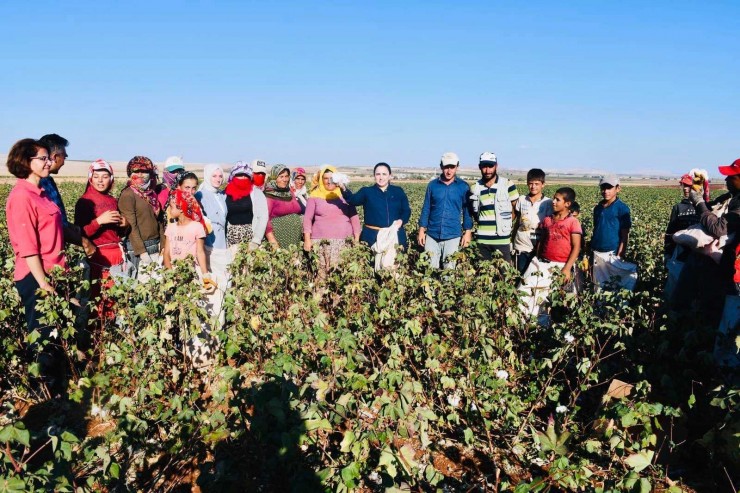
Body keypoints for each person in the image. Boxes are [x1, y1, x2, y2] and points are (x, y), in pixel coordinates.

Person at [6, 138, 68, 394]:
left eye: (48, 157)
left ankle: (56, 387)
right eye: (42, 158)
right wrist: (43, 283)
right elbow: (28, 246)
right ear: (25, 162)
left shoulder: (41, 192)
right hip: (36, 277)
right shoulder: (22, 196)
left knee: (53, 334)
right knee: (42, 335)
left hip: (52, 271)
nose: (48, 162)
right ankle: (44, 392)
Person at [74, 160, 130, 313]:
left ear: (111, 179)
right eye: (96, 176)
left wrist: (124, 225)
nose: (100, 180)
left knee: (117, 299)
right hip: (99, 258)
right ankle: (98, 335)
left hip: (117, 255)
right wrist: (99, 221)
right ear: (90, 178)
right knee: (99, 300)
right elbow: (79, 233)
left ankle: (112, 333)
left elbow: (117, 233)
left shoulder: (112, 200)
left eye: (105, 176)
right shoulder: (84, 202)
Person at [519, 187, 582, 319]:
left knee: (559, 302)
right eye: (553, 198)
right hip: (542, 263)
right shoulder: (548, 220)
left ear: (567, 204)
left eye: (557, 200)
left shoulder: (572, 222)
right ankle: (532, 327)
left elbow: (576, 247)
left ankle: (557, 332)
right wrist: (537, 256)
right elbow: (542, 240)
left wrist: (567, 268)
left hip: (560, 266)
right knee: (527, 292)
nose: (553, 202)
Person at [38, 133, 96, 257]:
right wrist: (84, 242)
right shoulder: (40, 183)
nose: (65, 159)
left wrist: (72, 227)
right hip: (47, 254)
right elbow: (52, 223)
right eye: (64, 156)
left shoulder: (48, 180)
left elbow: (59, 221)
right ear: (54, 156)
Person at [689, 158, 740, 296]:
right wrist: (700, 194)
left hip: (735, 271)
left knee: (728, 308)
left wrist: (699, 201)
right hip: (726, 263)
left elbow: (719, 228)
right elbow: (709, 208)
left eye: (731, 176)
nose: (726, 179)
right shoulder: (731, 196)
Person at [417, 152, 473, 269]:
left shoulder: (463, 187)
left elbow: (467, 211)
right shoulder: (432, 185)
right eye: (446, 167)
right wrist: (421, 230)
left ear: (457, 167)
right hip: (432, 234)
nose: (449, 171)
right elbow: (426, 208)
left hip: (452, 235)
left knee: (449, 269)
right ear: (441, 166)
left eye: (452, 167)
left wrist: (467, 232)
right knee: (430, 269)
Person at [303, 165, 361, 272]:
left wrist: (356, 240)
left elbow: (354, 218)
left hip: (344, 242)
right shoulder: (314, 196)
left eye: (332, 178)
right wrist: (307, 239)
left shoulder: (345, 195)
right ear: (321, 179)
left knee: (342, 275)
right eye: (326, 178)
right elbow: (307, 219)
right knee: (321, 275)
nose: (329, 182)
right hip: (320, 242)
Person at [341, 162, 411, 249]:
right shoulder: (366, 191)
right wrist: (343, 189)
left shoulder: (398, 191)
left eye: (384, 174)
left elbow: (406, 210)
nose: (381, 177)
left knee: (394, 261)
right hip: (371, 236)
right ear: (374, 176)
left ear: (390, 176)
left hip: (394, 235)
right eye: (378, 174)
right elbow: (353, 200)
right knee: (371, 261)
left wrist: (401, 220)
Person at [469, 152, 520, 263]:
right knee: (483, 275)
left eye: (490, 166)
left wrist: (505, 223)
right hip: (482, 240)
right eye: (484, 166)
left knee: (504, 275)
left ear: (496, 166)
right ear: (480, 167)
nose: (487, 170)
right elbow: (474, 212)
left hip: (502, 240)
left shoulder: (507, 184)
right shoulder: (475, 188)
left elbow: (516, 208)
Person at [118, 156, 164, 278]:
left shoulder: (152, 194)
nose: (140, 175)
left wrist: (163, 246)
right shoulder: (128, 195)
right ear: (130, 173)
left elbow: (159, 222)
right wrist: (142, 252)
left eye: (144, 172)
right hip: (138, 249)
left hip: (155, 246)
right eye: (136, 171)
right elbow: (131, 225)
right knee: (141, 288)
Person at [162, 189, 212, 283]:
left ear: (181, 208)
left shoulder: (197, 227)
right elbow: (166, 252)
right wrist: (170, 273)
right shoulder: (170, 227)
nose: (169, 210)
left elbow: (200, 252)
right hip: (173, 271)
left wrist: (205, 274)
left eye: (171, 207)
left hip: (190, 272)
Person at [513, 168, 552, 273]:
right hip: (521, 244)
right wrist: (512, 240)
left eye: (536, 183)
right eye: (530, 183)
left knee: (537, 275)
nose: (533, 186)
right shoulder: (521, 199)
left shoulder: (548, 202)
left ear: (543, 184)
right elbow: (517, 221)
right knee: (520, 274)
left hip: (539, 245)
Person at [225, 161, 268, 250]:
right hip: (231, 238)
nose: (243, 178)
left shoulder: (256, 193)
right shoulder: (225, 193)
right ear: (234, 176)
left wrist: (256, 240)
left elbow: (263, 217)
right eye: (240, 175)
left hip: (251, 237)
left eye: (246, 176)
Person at [591, 175, 631, 258]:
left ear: (618, 189)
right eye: (603, 188)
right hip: (595, 251)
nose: (605, 191)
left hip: (612, 253)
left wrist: (620, 255)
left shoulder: (622, 208)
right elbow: (596, 229)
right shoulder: (597, 208)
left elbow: (625, 236)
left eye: (609, 188)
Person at [264, 164, 304, 248]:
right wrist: (272, 240)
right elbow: (265, 219)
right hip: (279, 238)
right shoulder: (269, 195)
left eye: (286, 176)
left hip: (294, 238)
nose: (285, 179)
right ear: (274, 178)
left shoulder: (289, 192)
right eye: (281, 176)